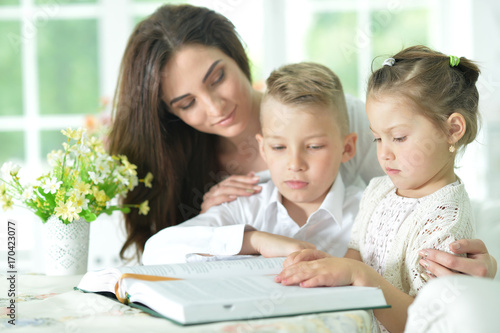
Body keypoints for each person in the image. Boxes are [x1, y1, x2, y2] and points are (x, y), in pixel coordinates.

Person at [107, 3, 496, 278]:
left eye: (216, 78)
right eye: (187, 102)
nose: (214, 106)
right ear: (170, 114)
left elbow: (429, 201)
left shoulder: (336, 118)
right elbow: (162, 251)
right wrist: (240, 235)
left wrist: (479, 265)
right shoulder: (190, 165)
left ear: (238, 57)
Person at [275, 45, 480, 332]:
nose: (383, 154)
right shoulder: (379, 189)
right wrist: (328, 265)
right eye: (377, 139)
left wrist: (360, 275)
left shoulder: (446, 219)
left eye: (398, 137)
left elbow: (427, 321)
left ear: (452, 130)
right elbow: (356, 255)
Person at [142, 62, 361, 264]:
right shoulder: (244, 206)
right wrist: (255, 241)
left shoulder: (370, 212)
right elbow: (155, 251)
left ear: (347, 148)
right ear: (263, 149)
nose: (295, 164)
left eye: (314, 147)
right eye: (279, 147)